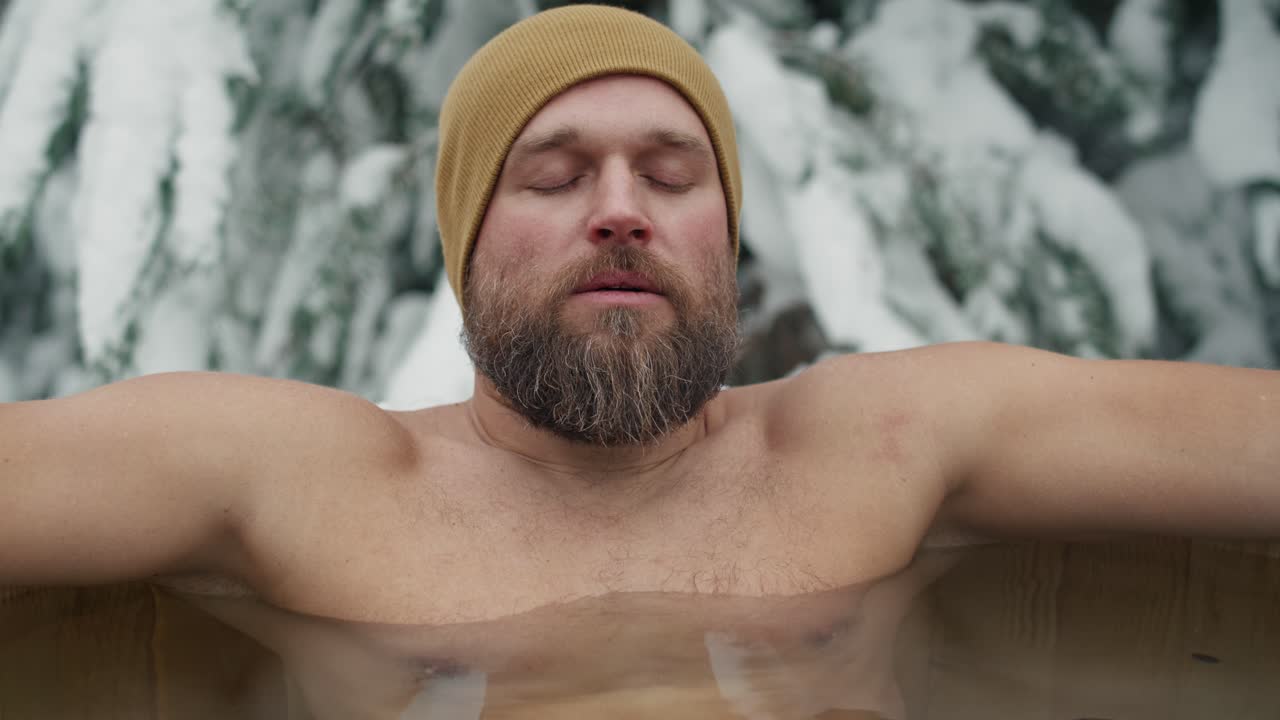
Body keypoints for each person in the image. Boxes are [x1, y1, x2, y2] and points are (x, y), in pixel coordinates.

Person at [1, 5, 1277, 718]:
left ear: (723, 235)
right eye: (552, 176)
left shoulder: (878, 442)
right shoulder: (306, 480)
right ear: (466, 242)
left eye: (672, 175)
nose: (620, 209)